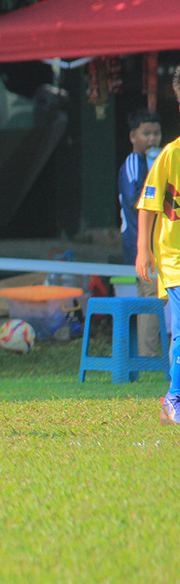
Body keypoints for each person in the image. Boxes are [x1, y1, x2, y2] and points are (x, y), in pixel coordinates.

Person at [136, 68, 180, 425]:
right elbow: (149, 206)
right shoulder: (170, 155)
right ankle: (173, 399)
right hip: (175, 257)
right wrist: (143, 250)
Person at [119, 108, 163, 357]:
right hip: (142, 245)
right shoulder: (134, 164)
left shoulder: (158, 162)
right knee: (149, 298)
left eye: (156, 133)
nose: (152, 139)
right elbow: (138, 201)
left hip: (162, 244)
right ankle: (147, 357)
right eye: (146, 133)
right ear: (133, 136)